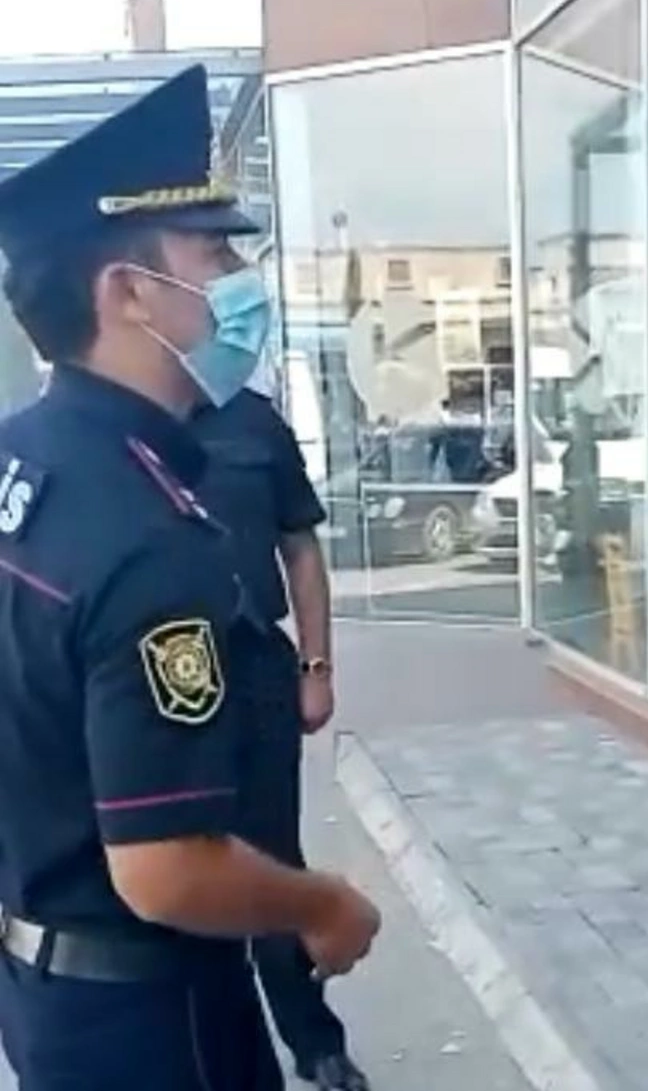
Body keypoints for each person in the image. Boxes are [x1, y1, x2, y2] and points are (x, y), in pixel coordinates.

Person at [0, 66, 380, 1090]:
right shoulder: (146, 534)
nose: (239, 282)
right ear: (128, 291)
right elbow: (164, 867)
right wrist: (321, 902)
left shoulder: (22, 457)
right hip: (151, 1017)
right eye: (214, 254)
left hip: (43, 985)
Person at [192, 384, 369, 1090]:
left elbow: (299, 547)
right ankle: (209, 1038)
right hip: (154, 675)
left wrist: (315, 666)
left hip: (255, 666)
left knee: (272, 856)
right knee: (181, 857)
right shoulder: (121, 420)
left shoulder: (253, 419)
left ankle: (315, 1041)